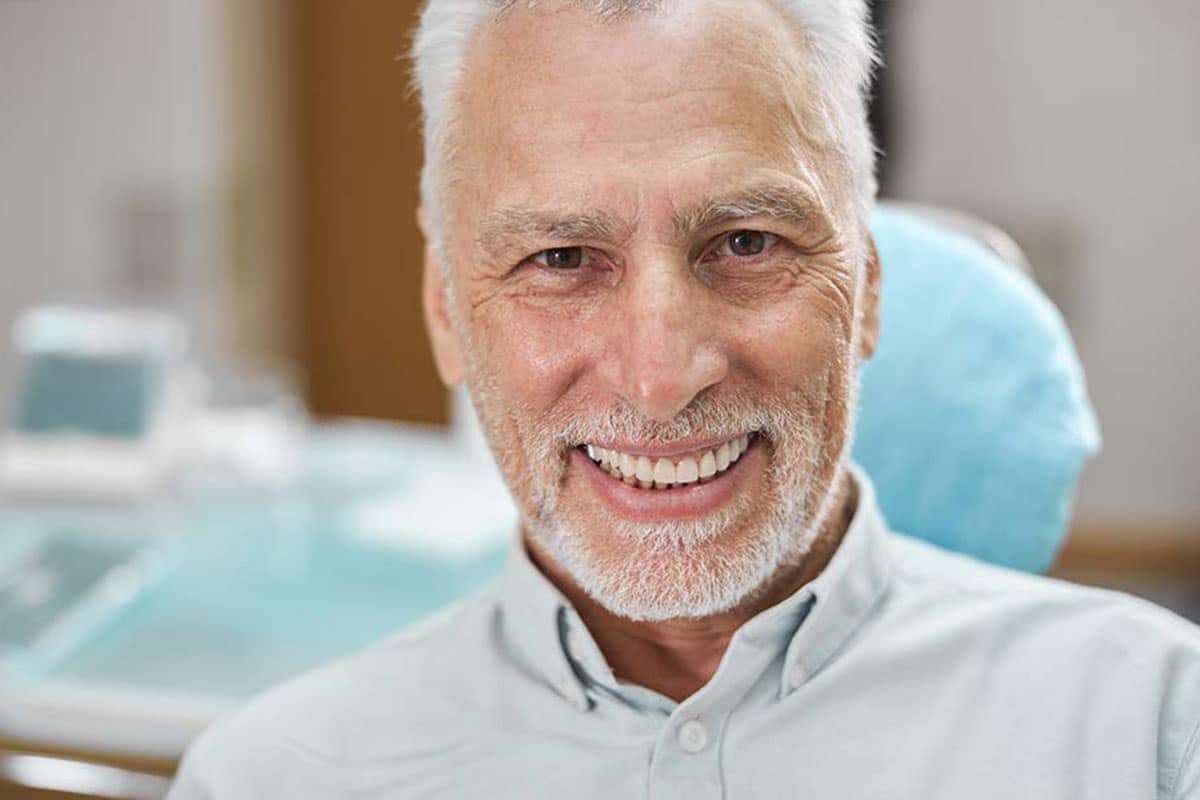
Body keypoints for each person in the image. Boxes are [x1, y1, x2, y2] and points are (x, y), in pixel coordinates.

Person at [168, 1, 1200, 797]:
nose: (661, 379)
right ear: (447, 312)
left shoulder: (1147, 722)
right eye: (562, 257)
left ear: (869, 289)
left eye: (746, 242)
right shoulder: (273, 775)